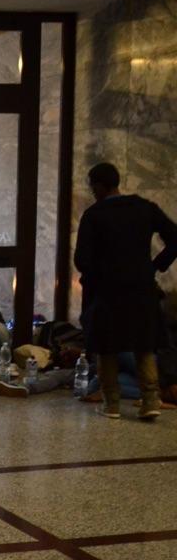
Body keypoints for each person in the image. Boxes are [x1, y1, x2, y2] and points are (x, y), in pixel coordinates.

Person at [74, 162, 177, 419]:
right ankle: (151, 400)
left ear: (98, 185)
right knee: (145, 346)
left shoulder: (94, 215)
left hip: (108, 292)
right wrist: (155, 265)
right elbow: (175, 237)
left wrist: (99, 274)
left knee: (107, 347)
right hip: (142, 289)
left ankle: (112, 404)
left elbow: (82, 260)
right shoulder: (144, 208)